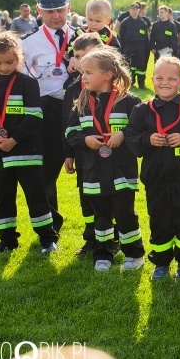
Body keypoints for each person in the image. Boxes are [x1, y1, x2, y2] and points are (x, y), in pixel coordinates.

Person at [0, 31, 59, 255]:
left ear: (20, 57)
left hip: (26, 153)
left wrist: (14, 139)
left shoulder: (28, 84)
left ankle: (48, 239)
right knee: (3, 200)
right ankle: (7, 240)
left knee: (36, 196)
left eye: (10, 62)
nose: (4, 67)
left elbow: (34, 117)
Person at [65, 48, 145, 272]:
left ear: (108, 74)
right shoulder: (80, 103)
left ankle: (134, 254)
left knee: (124, 213)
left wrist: (124, 134)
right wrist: (85, 139)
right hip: (93, 170)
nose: (84, 77)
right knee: (100, 215)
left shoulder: (129, 101)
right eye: (83, 73)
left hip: (122, 169)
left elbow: (140, 129)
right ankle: (103, 255)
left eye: (89, 72)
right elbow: (70, 132)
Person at [126, 56, 180, 280]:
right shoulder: (142, 110)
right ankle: (161, 263)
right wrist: (147, 139)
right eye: (159, 78)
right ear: (152, 80)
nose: (165, 82)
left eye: (172, 78)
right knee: (159, 221)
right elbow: (131, 138)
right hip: (156, 181)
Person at [21, 0, 75, 233]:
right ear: (38, 11)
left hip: (80, 111)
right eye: (49, 10)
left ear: (69, 7)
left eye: (61, 10)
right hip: (47, 110)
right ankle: (51, 225)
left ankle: (98, 234)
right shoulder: (28, 43)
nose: (56, 15)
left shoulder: (82, 37)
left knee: (90, 173)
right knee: (44, 173)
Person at [62, 33, 106, 256]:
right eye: (77, 56)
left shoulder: (112, 87)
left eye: (86, 55)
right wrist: (68, 153)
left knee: (109, 198)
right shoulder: (72, 87)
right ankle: (91, 238)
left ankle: (111, 238)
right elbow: (67, 124)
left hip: (110, 159)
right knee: (86, 198)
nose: (80, 61)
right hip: (83, 156)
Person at [117, 2, 150, 89]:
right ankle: (129, 83)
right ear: (130, 10)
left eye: (136, 9)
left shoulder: (142, 23)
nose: (135, 11)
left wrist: (147, 48)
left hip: (140, 46)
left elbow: (146, 37)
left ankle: (141, 83)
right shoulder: (125, 22)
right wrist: (123, 48)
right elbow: (121, 36)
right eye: (133, 9)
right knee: (128, 65)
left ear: (139, 10)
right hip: (129, 45)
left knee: (141, 65)